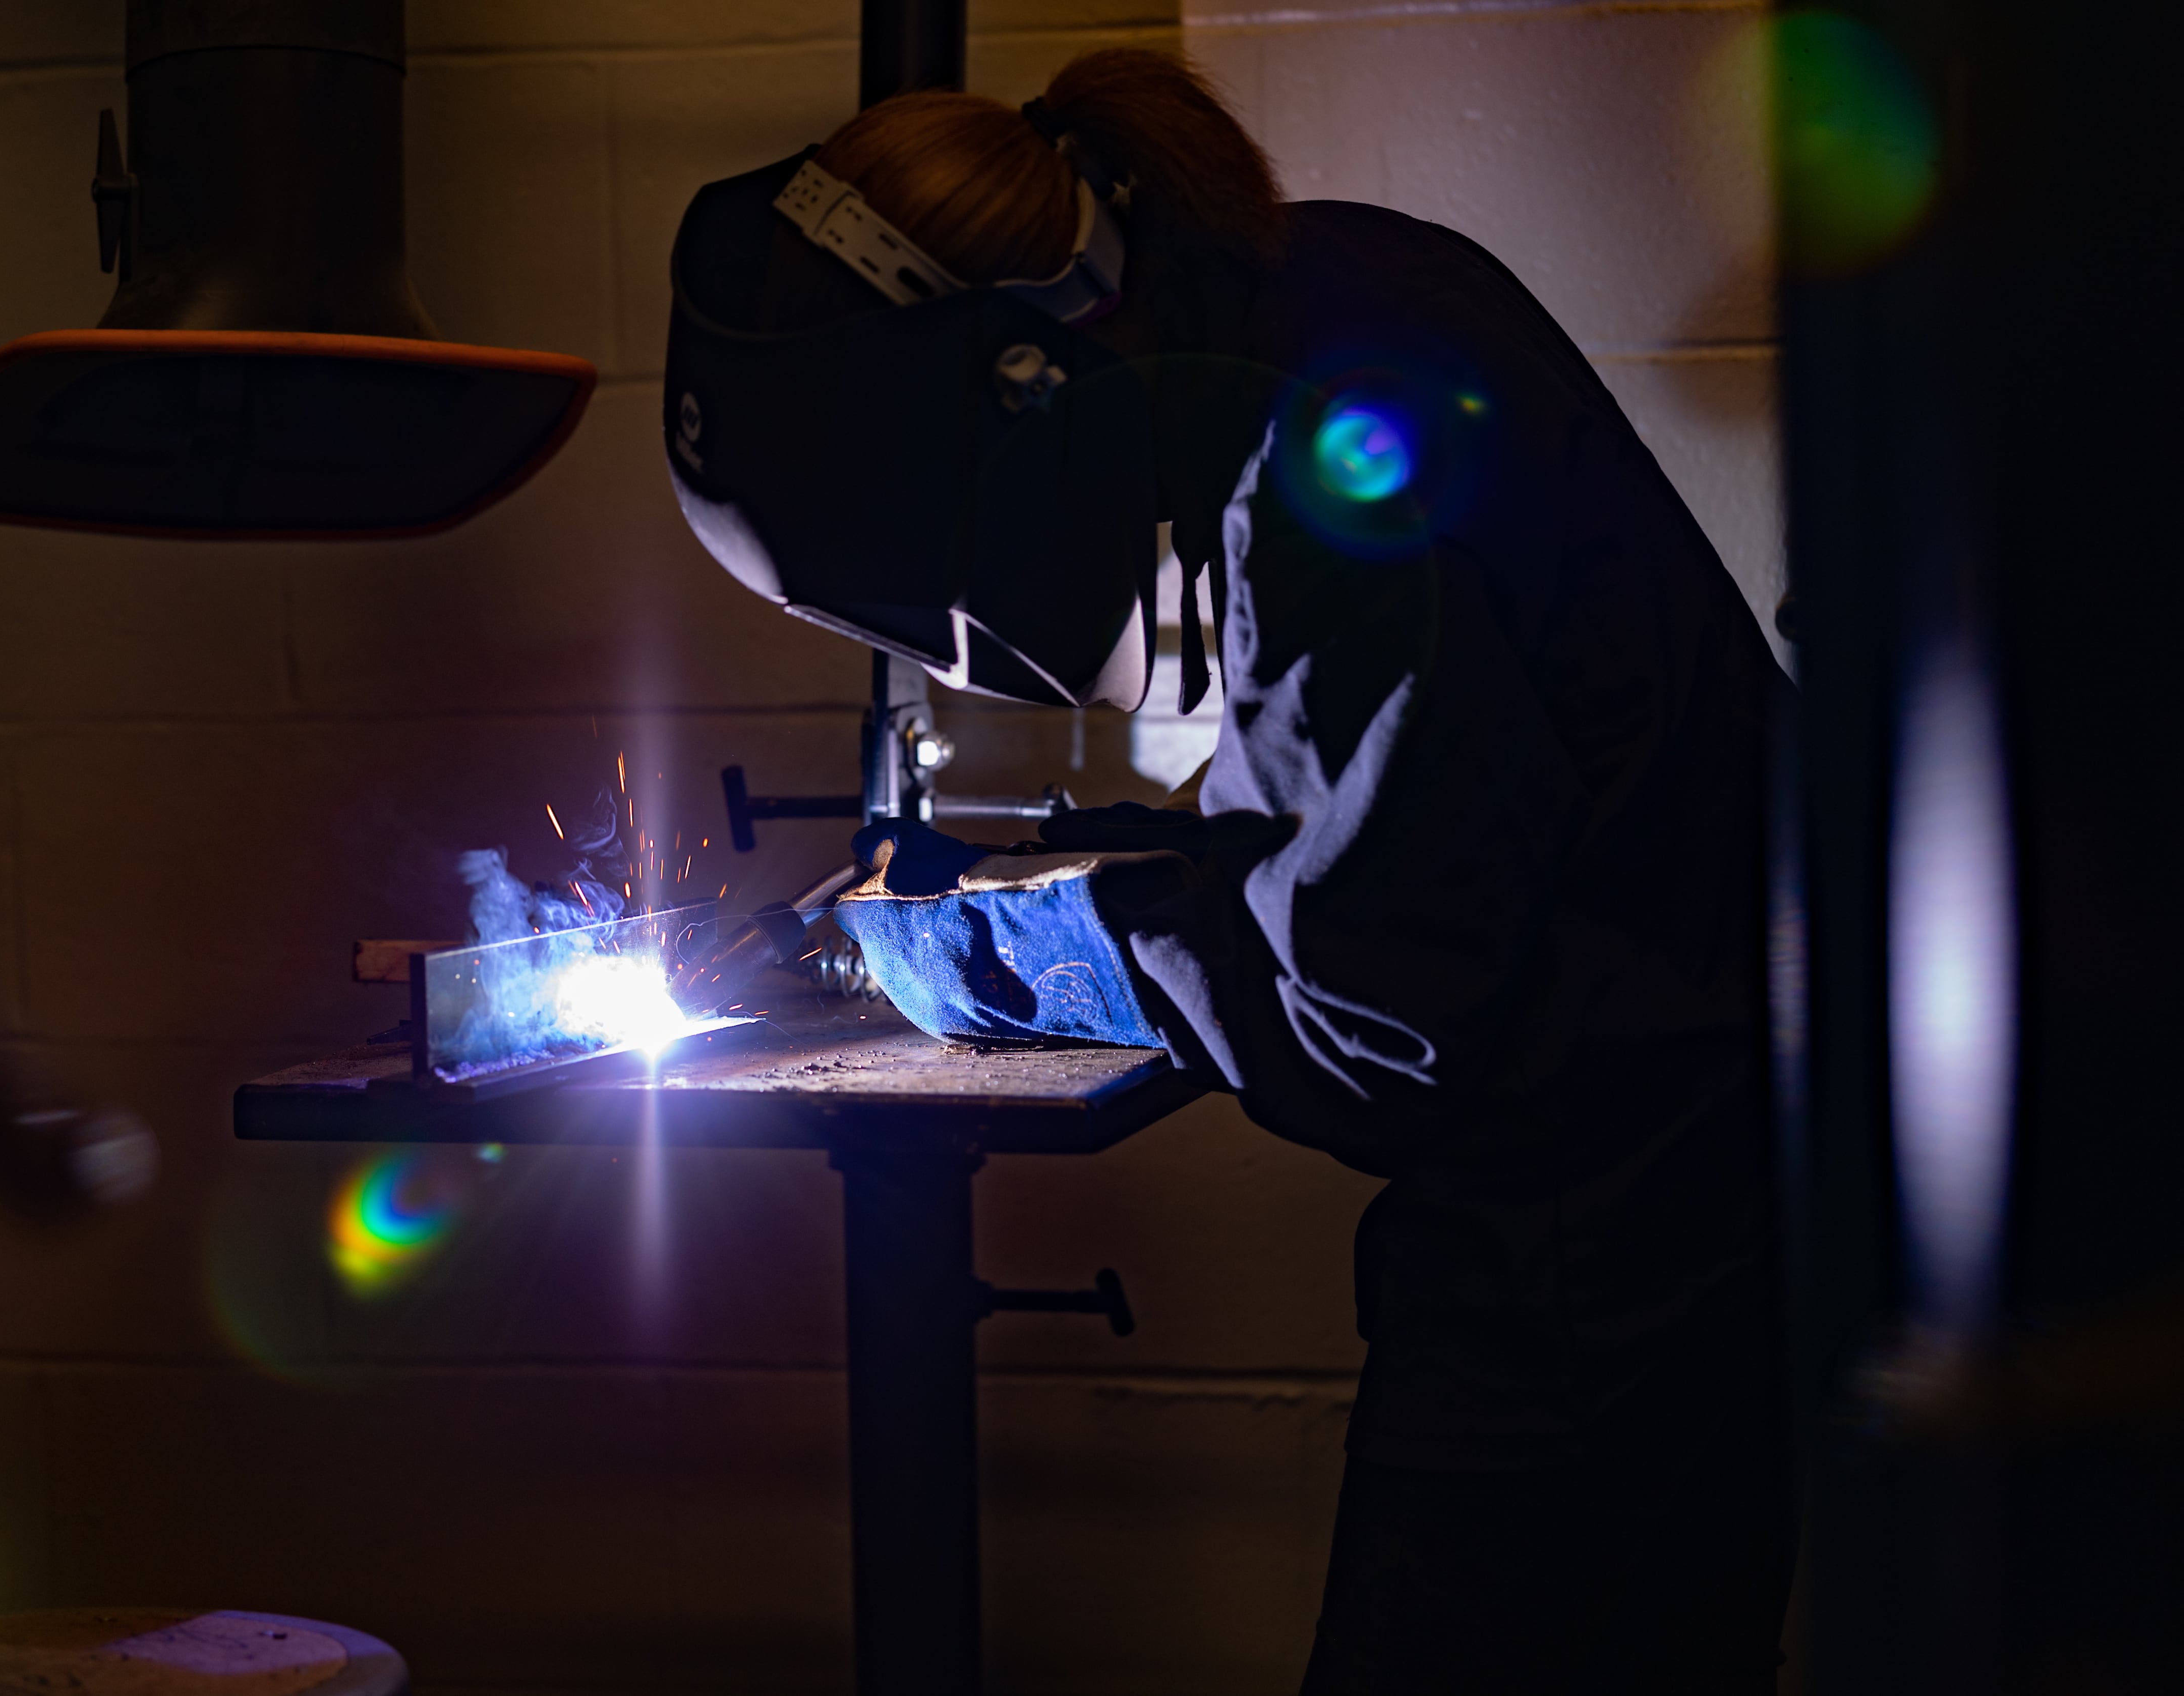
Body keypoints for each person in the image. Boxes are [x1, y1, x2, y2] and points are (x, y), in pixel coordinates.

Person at [662, 48, 1794, 1693]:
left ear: (1025, 382)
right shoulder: (1328, 291)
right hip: (1683, 1186)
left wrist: (990, 953)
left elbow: (1372, 1020)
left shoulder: (1328, 455)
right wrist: (1061, 880)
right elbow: (1402, 820)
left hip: (1606, 1265)